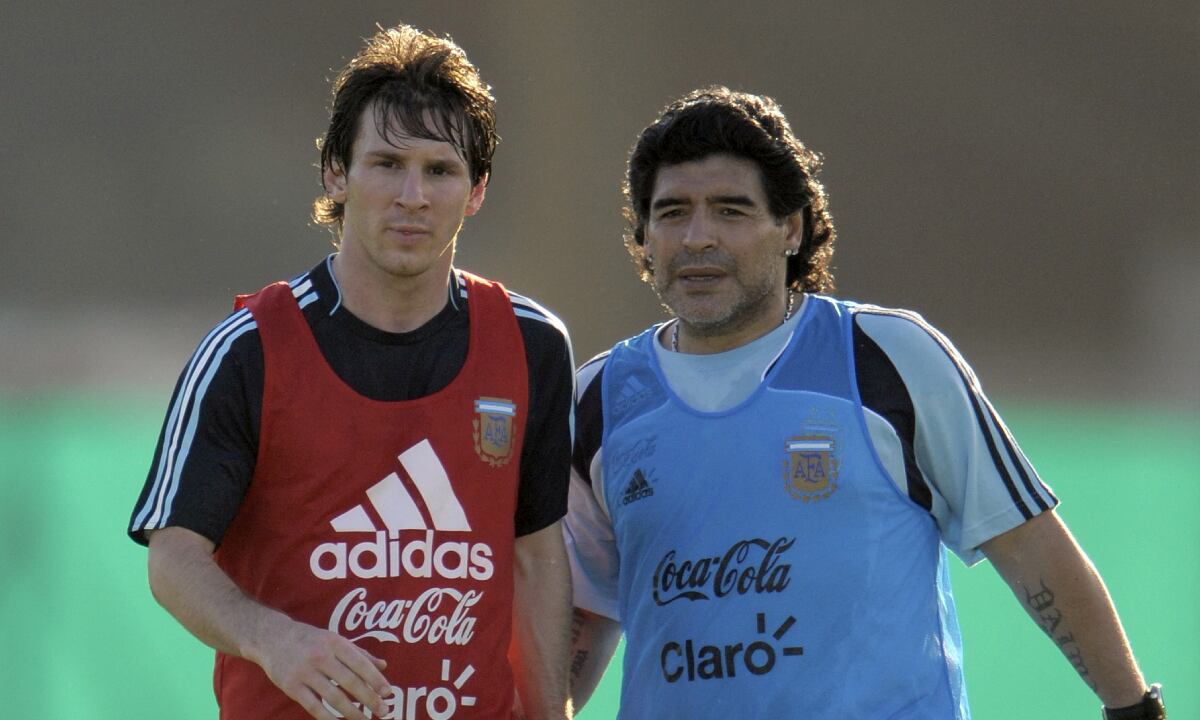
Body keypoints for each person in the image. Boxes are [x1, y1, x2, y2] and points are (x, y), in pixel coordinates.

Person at [562, 86, 1164, 719]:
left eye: (731, 211)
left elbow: (1031, 547)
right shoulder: (599, 398)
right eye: (673, 212)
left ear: (791, 228)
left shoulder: (888, 358)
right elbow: (585, 609)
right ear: (644, 236)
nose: (698, 237)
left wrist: (1132, 709)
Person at [128, 24, 575, 720]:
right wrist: (271, 638)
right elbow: (174, 557)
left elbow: (537, 557)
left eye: (441, 170)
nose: (413, 195)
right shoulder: (248, 349)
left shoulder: (532, 345)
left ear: (477, 189)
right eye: (386, 163)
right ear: (336, 173)